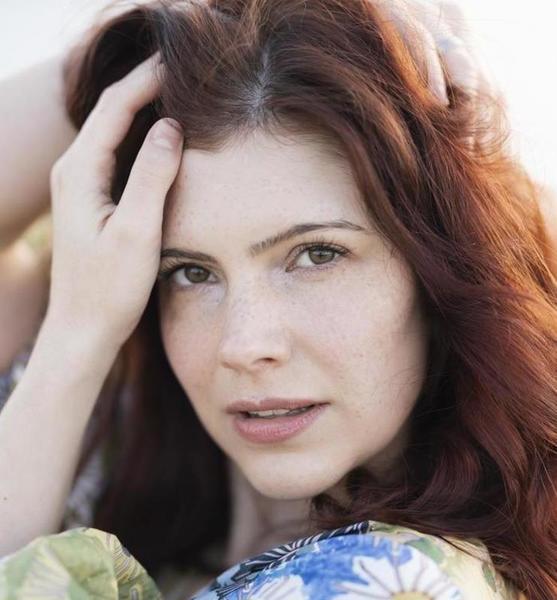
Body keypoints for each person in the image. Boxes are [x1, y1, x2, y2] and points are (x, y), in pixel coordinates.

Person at [0, 0, 555, 598]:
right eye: (191, 272)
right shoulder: (112, 440)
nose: (244, 345)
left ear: (439, 270)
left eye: (317, 255)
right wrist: (146, 48)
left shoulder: (389, 578)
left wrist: (72, 343)